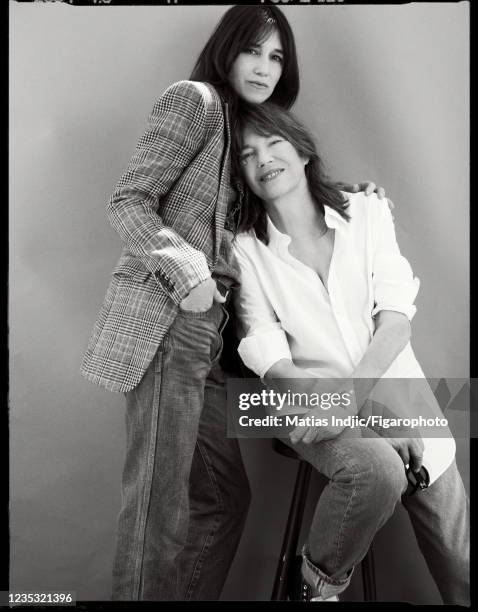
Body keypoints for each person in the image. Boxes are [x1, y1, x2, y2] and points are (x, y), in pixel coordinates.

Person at [80, 5, 387, 601]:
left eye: (277, 57)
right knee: (157, 511)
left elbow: (277, 199)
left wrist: (347, 197)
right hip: (173, 324)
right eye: (254, 50)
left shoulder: (245, 132)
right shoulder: (193, 101)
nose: (266, 67)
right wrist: (188, 269)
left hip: (216, 347)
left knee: (222, 501)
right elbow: (129, 199)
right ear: (227, 49)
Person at [232, 102, 470, 604]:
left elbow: (397, 320)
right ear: (243, 175)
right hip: (300, 404)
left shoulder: (366, 211)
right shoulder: (245, 250)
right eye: (248, 153)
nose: (263, 159)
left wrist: (360, 405)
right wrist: (355, 420)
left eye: (274, 143)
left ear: (302, 151)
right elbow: (270, 358)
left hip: (404, 403)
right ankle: (313, 588)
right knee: (377, 468)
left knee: (461, 571)